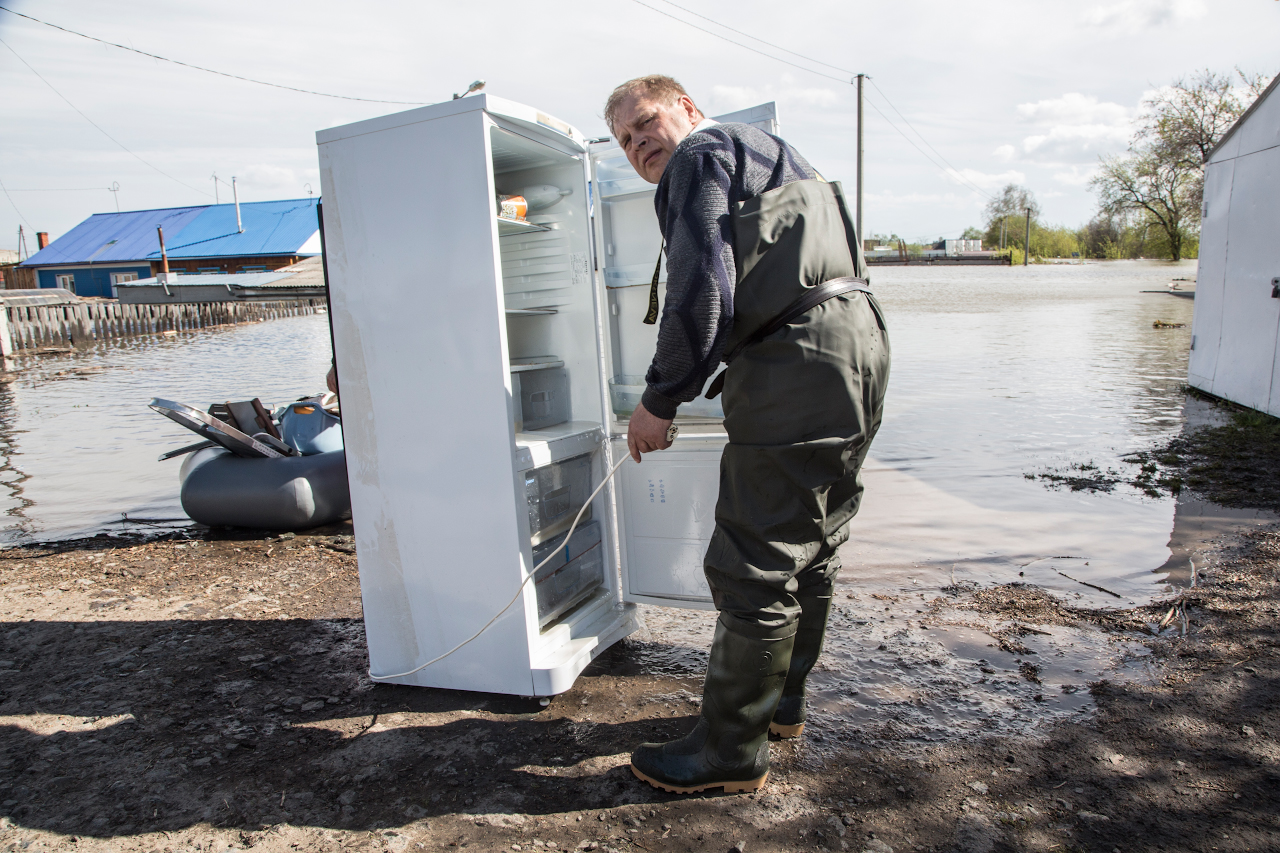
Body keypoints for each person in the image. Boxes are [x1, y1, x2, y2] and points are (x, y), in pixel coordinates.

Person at [604, 75, 891, 794]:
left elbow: (700, 287)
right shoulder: (774, 153)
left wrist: (659, 400)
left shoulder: (701, 155)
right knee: (812, 542)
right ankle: (780, 705)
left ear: (689, 110)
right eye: (626, 140)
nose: (640, 144)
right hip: (856, 345)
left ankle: (731, 751)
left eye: (647, 123)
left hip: (797, 362)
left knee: (752, 562)